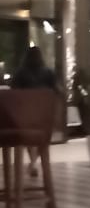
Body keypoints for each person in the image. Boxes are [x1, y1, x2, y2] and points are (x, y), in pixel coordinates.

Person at [10, 46, 57, 177]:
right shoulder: (49, 73)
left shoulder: (20, 74)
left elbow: (14, 94)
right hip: (44, 118)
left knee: (29, 137)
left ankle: (33, 162)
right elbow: (55, 92)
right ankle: (33, 163)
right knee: (42, 138)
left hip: (25, 117)